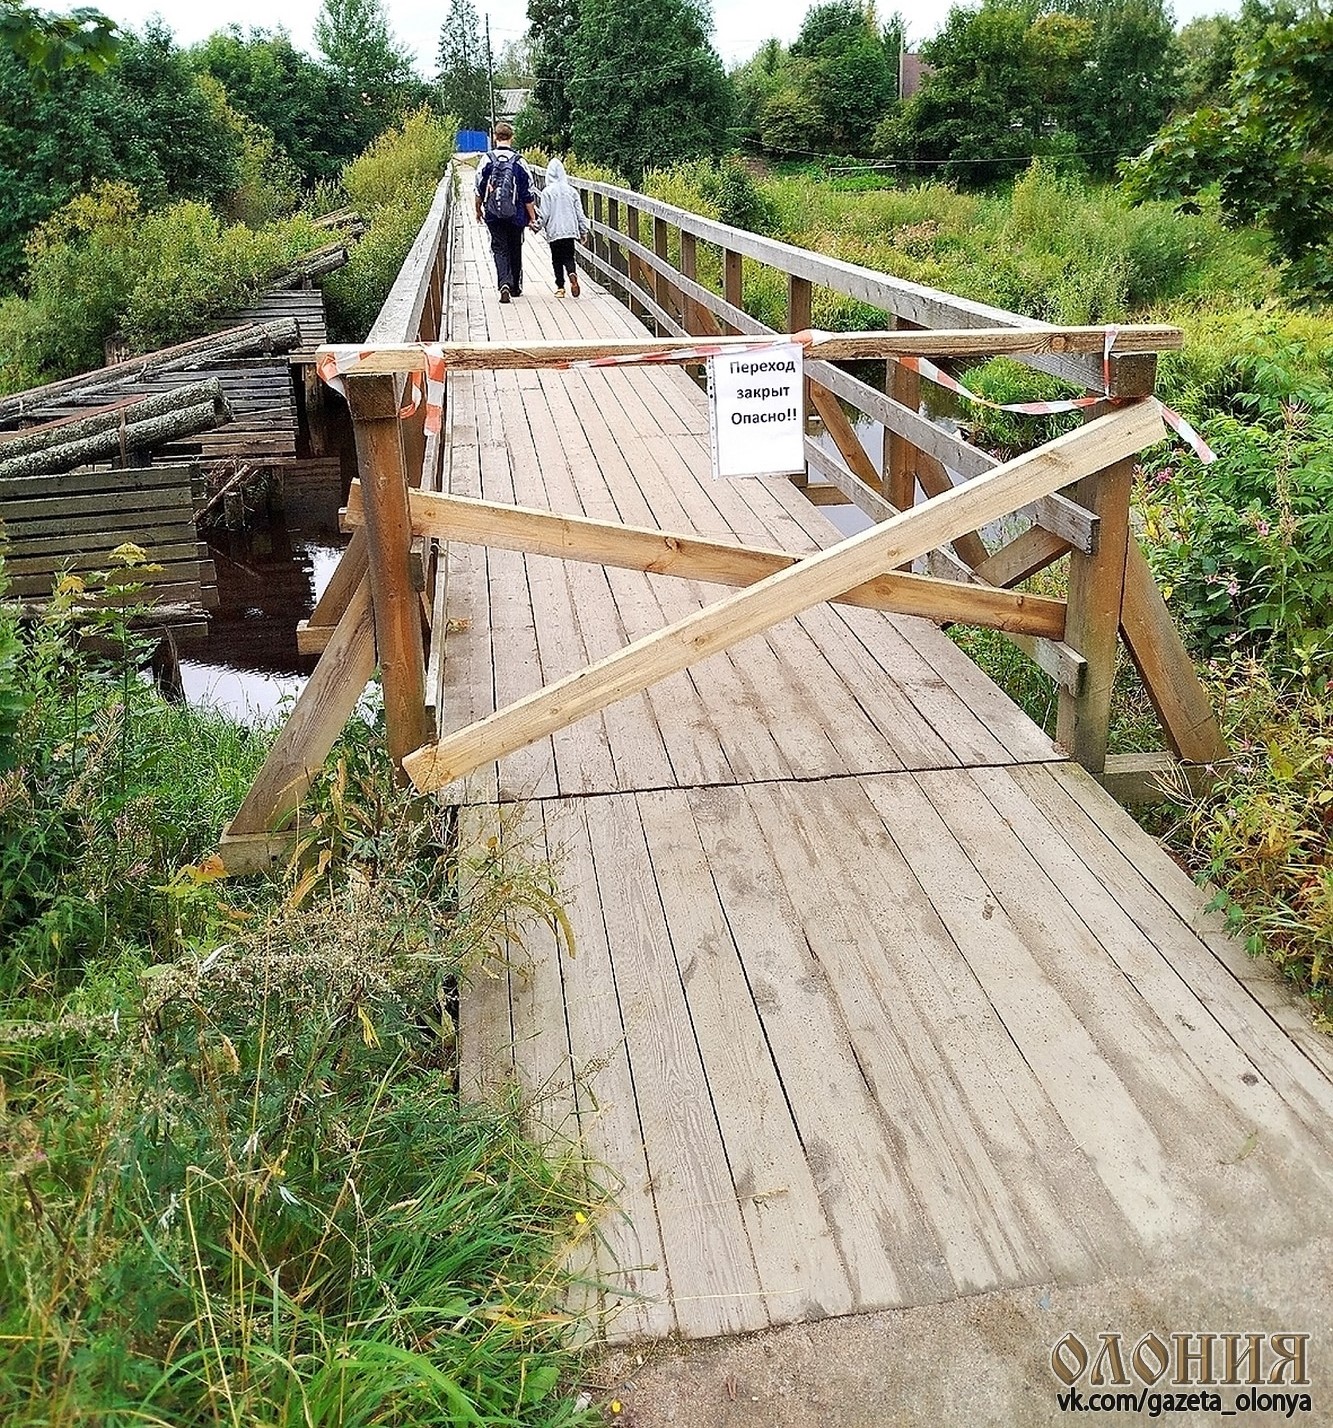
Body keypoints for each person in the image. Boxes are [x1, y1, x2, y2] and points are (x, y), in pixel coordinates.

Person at [474, 122, 537, 303]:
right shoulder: (519, 161)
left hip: (493, 214)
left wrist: (478, 210)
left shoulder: (487, 159)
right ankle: (515, 286)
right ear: (511, 138)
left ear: (495, 137)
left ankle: (504, 283)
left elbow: (478, 188)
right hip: (516, 214)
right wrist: (532, 217)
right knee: (515, 247)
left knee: (499, 248)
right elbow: (528, 192)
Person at [536, 157, 591, 298]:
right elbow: (580, 213)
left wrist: (537, 226)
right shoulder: (572, 191)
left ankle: (560, 287)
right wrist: (583, 231)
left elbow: (544, 214)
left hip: (554, 231)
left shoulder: (547, 192)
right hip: (570, 230)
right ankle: (572, 273)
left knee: (556, 259)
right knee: (569, 256)